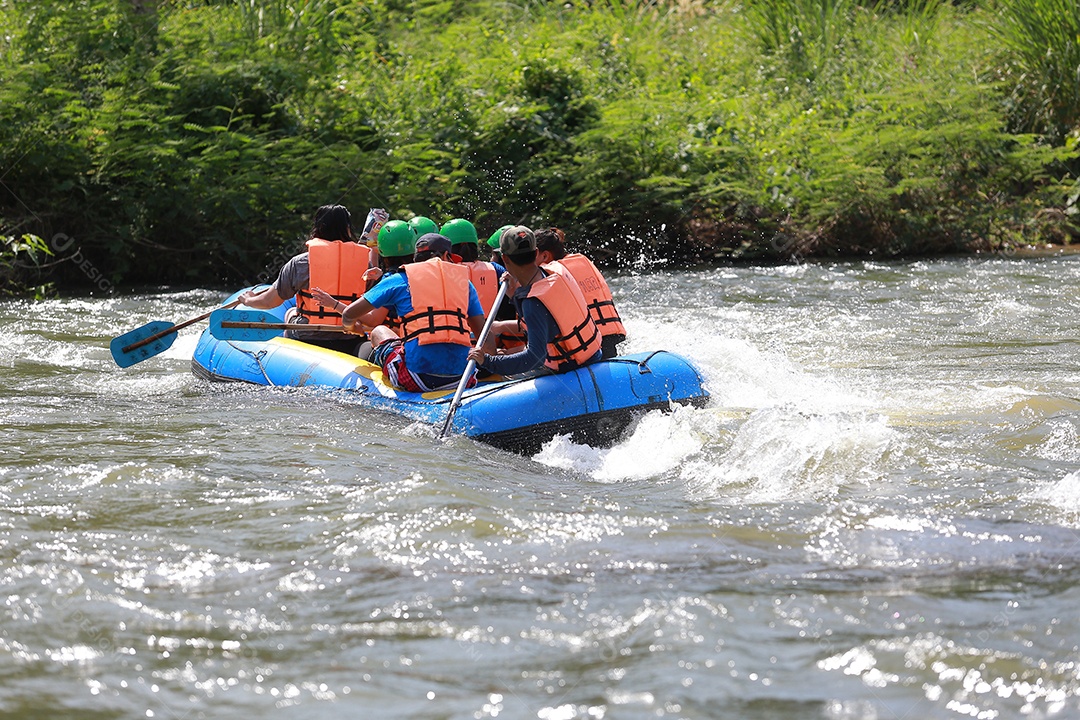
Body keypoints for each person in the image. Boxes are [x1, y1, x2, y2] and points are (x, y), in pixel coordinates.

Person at [331, 231, 487, 393]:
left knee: (379, 331)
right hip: (462, 377)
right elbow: (485, 340)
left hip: (417, 379)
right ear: (446, 255)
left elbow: (349, 314)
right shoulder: (465, 284)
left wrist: (350, 327)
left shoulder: (398, 279)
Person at [467, 226, 601, 378]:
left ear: (505, 259)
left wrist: (488, 361)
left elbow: (534, 358)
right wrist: (514, 295)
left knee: (503, 377)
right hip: (592, 355)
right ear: (536, 252)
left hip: (570, 367)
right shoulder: (554, 271)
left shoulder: (532, 303)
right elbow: (543, 321)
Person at [238, 204, 370, 354]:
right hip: (350, 337)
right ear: (347, 228)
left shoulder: (300, 263)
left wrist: (247, 300)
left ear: (317, 228)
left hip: (309, 337)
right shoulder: (366, 264)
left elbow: (269, 302)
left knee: (291, 312)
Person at [534, 227, 627, 359]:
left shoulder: (551, 275)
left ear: (545, 255)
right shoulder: (581, 260)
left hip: (589, 342)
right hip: (609, 335)